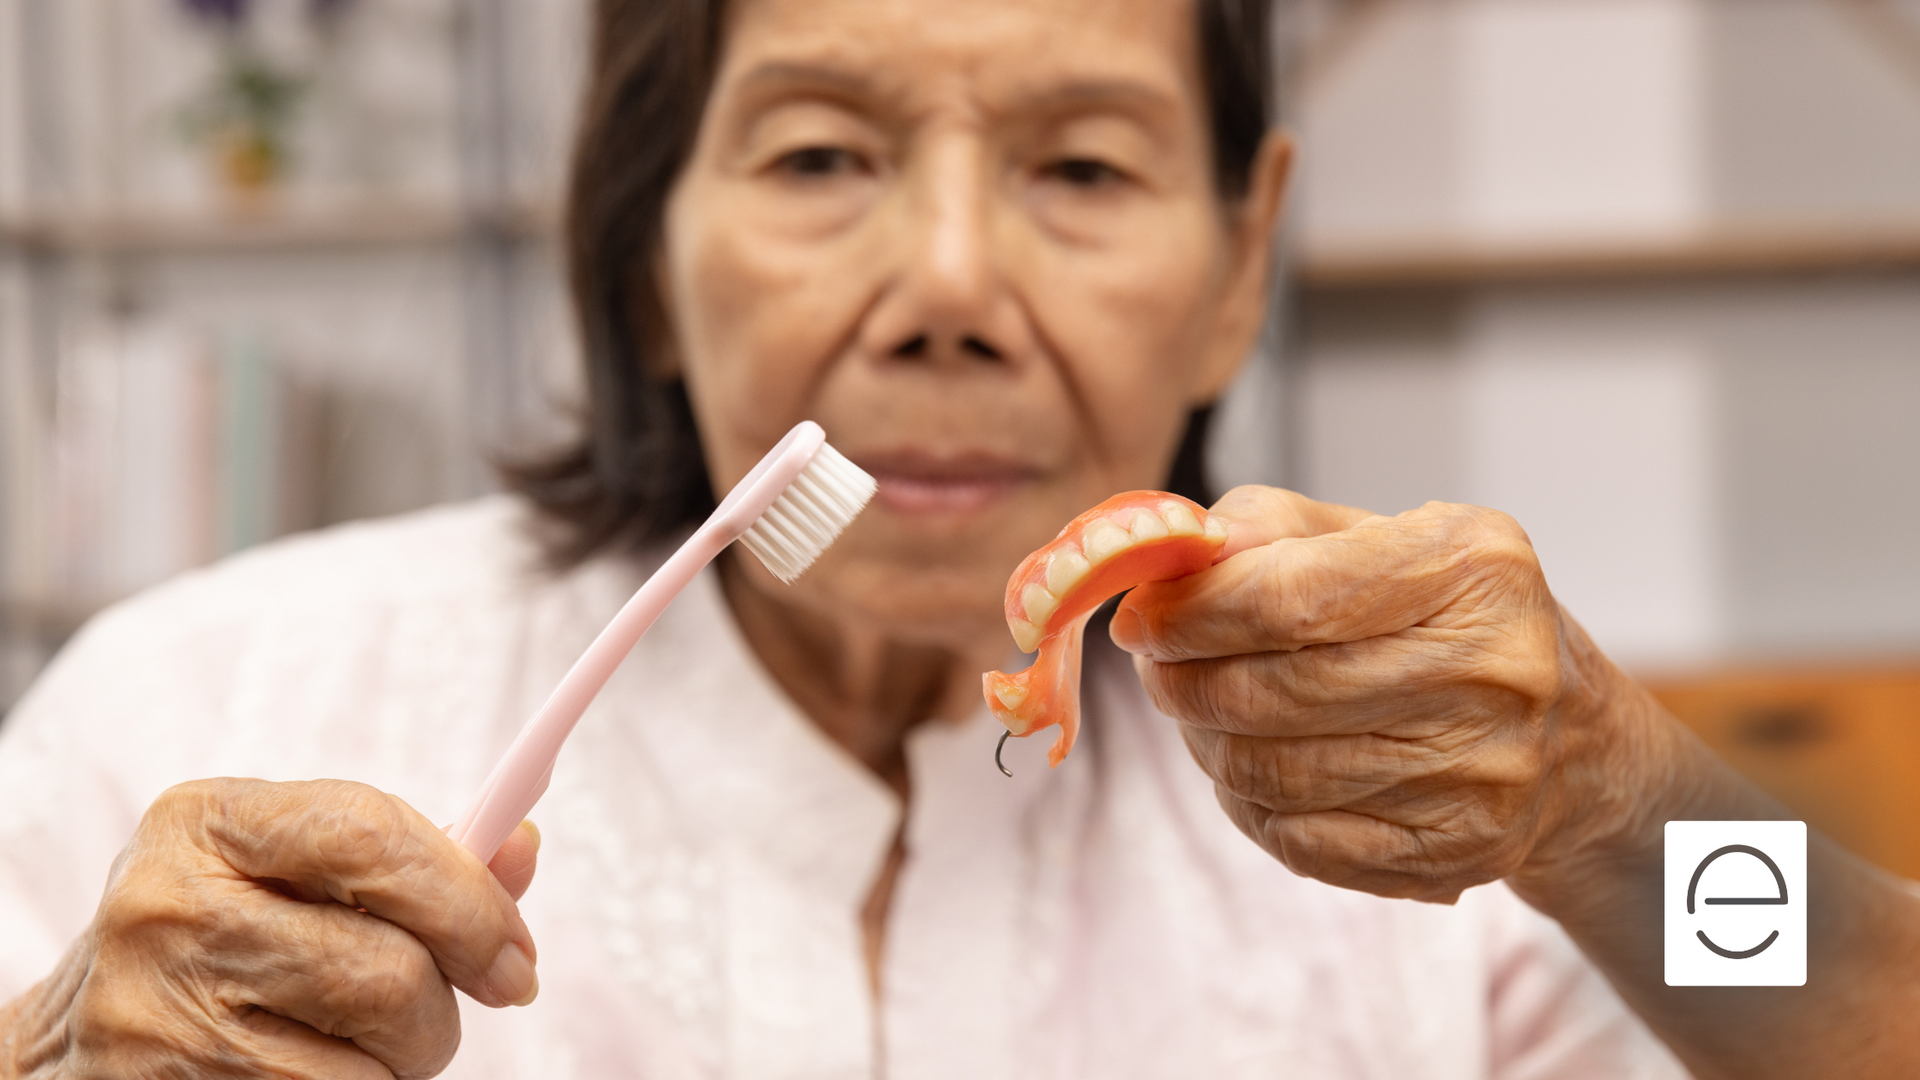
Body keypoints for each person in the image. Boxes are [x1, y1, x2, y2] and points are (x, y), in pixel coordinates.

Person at [3, 0, 1918, 1076]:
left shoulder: (1441, 815)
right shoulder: (192, 701)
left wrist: (1629, 814)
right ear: (645, 246)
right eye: (822, 153)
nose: (947, 285)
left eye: (1082, 165)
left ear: (1242, 264)